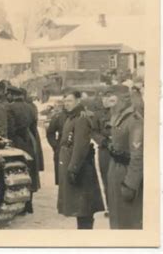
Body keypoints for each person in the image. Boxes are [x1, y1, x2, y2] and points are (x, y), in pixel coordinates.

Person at [57, 90, 105, 229]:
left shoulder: (81, 118)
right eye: (65, 101)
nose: (66, 104)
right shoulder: (71, 117)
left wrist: (73, 169)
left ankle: (85, 236)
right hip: (74, 165)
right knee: (80, 206)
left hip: (80, 168)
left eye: (70, 101)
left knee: (84, 206)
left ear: (78, 101)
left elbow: (80, 146)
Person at [106, 85, 143, 229]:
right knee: (116, 218)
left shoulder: (134, 120)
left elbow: (137, 156)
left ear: (124, 99)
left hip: (126, 174)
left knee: (128, 221)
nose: (110, 102)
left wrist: (131, 184)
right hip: (115, 171)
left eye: (113, 99)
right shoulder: (118, 116)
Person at [7, 86, 40, 213]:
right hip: (30, 140)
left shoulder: (9, 108)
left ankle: (20, 204)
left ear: (11, 95)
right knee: (30, 171)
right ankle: (29, 203)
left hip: (17, 141)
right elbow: (34, 126)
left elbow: (10, 129)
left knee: (17, 171)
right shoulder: (30, 107)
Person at [46, 98, 67, 185]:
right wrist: (55, 145)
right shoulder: (58, 117)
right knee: (62, 177)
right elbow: (50, 133)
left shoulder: (79, 116)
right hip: (61, 146)